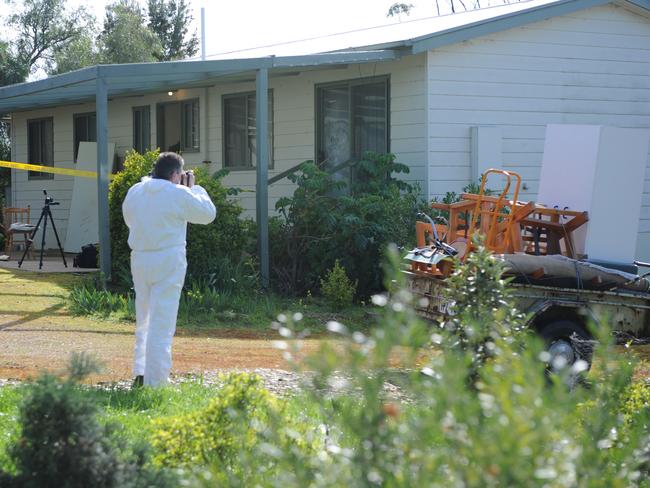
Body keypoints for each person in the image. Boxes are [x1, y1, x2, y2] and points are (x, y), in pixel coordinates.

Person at [122, 152, 216, 387]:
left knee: (144, 318)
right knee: (162, 322)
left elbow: (129, 219)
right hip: (168, 258)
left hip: (140, 258)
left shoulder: (135, 190)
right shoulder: (178, 192)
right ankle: (157, 383)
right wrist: (195, 189)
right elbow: (207, 214)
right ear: (175, 174)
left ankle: (141, 373)